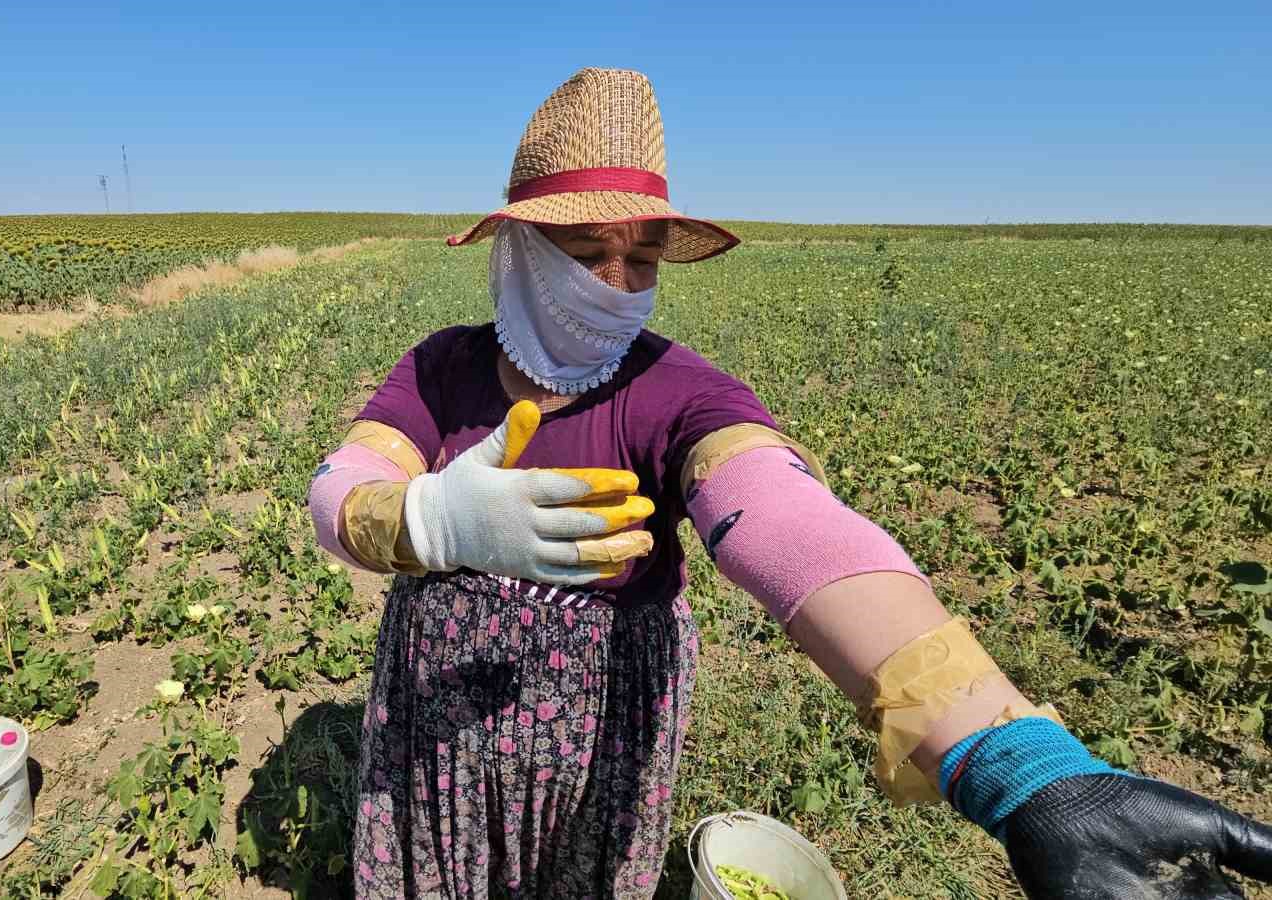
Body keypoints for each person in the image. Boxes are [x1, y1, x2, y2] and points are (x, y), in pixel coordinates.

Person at [307, 67, 1272, 899]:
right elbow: (340, 491)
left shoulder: (676, 390)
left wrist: (1015, 760)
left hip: (598, 720)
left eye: (639, 259)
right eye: (584, 252)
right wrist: (428, 520)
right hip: (438, 718)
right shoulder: (443, 370)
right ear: (517, 246)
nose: (614, 281)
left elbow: (785, 523)